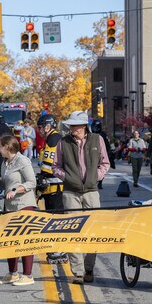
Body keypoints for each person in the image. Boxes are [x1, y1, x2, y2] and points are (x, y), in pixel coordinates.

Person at [52, 111, 110, 284]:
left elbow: (105, 163)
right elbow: (55, 166)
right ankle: (77, 272)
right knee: (72, 232)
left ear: (84, 126)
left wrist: (96, 177)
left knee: (93, 232)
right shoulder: (63, 142)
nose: (72, 128)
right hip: (70, 192)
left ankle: (89, 268)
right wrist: (67, 178)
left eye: (75, 125)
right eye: (70, 125)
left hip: (91, 192)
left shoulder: (96, 140)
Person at [0, 135, 38, 286]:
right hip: (10, 206)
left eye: (0, 146)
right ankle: (13, 273)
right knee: (10, 239)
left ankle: (28, 275)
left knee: (25, 239)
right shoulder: (5, 163)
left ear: (7, 147)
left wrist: (16, 190)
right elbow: (5, 182)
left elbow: (32, 182)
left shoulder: (22, 161)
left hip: (23, 204)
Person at [36, 114, 66, 264]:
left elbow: (50, 165)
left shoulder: (54, 139)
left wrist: (42, 178)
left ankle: (59, 249)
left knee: (56, 218)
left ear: (47, 126)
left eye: (40, 127)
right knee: (53, 217)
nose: (39, 130)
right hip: (51, 186)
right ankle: (57, 248)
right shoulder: (52, 138)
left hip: (55, 187)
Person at [91, 119, 114, 189]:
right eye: (94, 126)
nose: (95, 128)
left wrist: (108, 153)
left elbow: (107, 144)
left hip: (101, 154)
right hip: (92, 153)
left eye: (96, 126)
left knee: (101, 167)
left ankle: (100, 182)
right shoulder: (89, 135)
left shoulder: (103, 135)